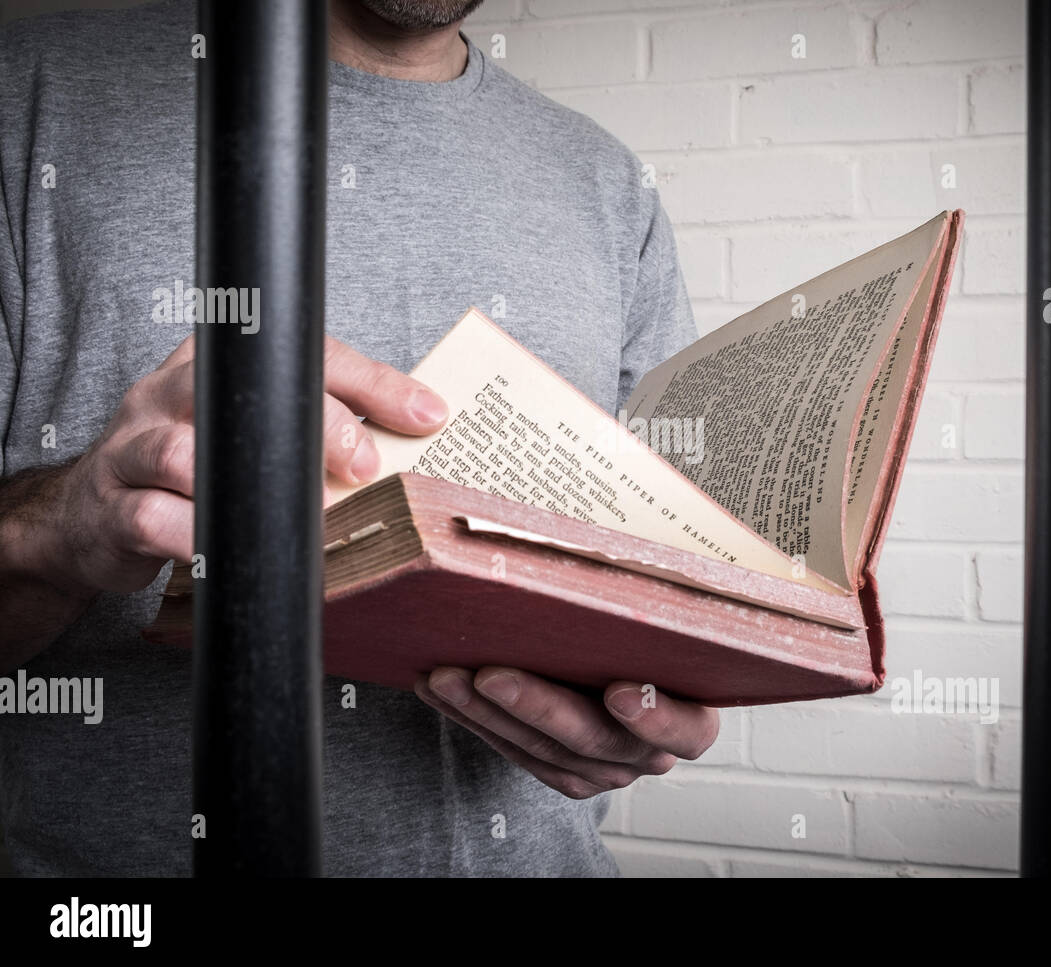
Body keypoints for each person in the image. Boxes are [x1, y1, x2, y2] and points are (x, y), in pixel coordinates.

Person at [0, 0, 718, 876]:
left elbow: (665, 573)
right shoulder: (22, 90)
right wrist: (56, 526)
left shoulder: (608, 183)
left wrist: (646, 697)